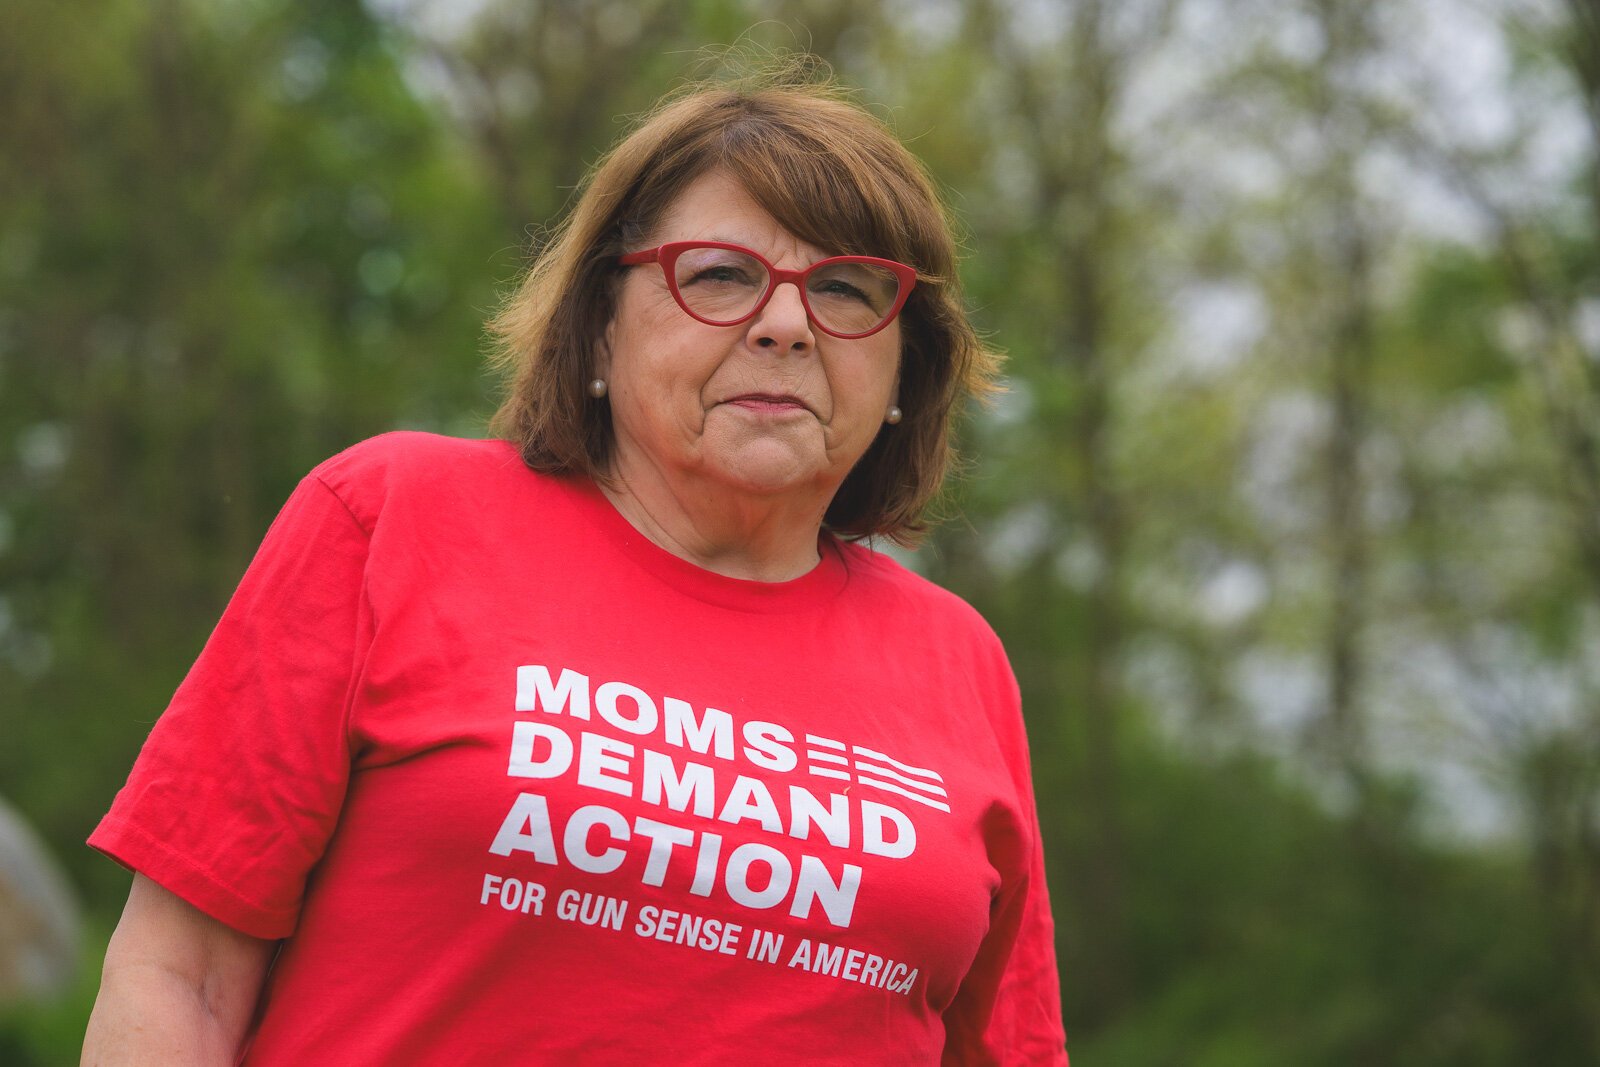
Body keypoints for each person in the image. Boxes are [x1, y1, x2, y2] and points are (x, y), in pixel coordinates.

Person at [82, 71, 1068, 1065]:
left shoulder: (959, 659)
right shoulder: (390, 519)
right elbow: (182, 976)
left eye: (845, 289)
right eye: (719, 274)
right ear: (600, 320)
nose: (785, 324)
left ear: (906, 364)